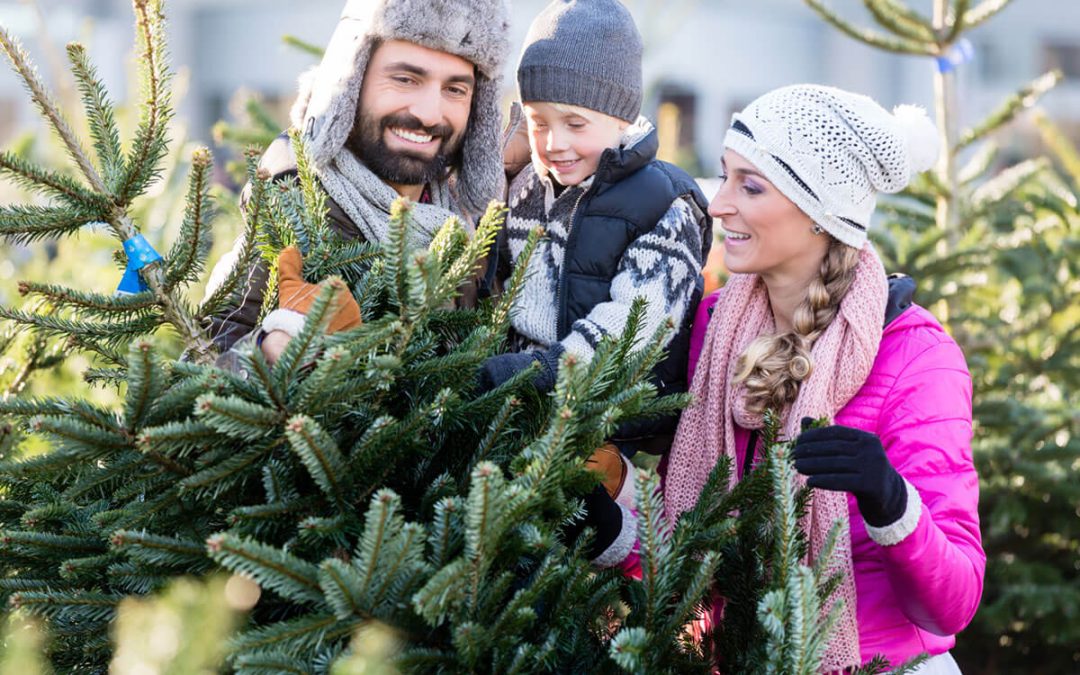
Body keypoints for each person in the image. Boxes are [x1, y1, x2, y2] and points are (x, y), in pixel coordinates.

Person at [597, 84, 985, 672]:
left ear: (820, 215)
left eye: (749, 186)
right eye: (724, 177)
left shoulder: (914, 357)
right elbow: (701, 538)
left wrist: (890, 501)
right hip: (737, 658)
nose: (718, 204)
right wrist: (616, 517)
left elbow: (952, 606)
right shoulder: (715, 326)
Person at [474, 0, 712, 564]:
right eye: (538, 123)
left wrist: (532, 373)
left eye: (575, 123)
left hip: (601, 424)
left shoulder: (665, 206)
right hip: (510, 412)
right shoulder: (523, 185)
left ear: (622, 116)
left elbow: (635, 328)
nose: (554, 143)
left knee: (583, 561)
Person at [204, 0, 510, 365]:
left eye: (455, 90)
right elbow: (195, 375)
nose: (429, 114)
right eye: (405, 79)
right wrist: (269, 353)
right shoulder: (290, 216)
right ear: (349, 82)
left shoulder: (474, 224)